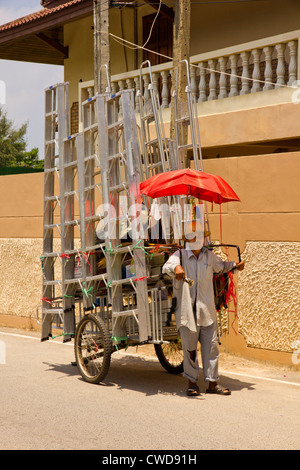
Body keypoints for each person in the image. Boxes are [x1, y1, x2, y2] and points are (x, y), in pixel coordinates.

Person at [162, 222, 245, 397]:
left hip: (207, 310)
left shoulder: (209, 257)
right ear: (187, 239)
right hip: (187, 311)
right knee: (190, 348)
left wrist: (236, 266)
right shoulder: (180, 256)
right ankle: (192, 382)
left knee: (212, 347)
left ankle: (213, 383)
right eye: (194, 235)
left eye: (200, 235)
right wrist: (176, 268)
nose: (198, 238)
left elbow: (222, 267)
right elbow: (166, 267)